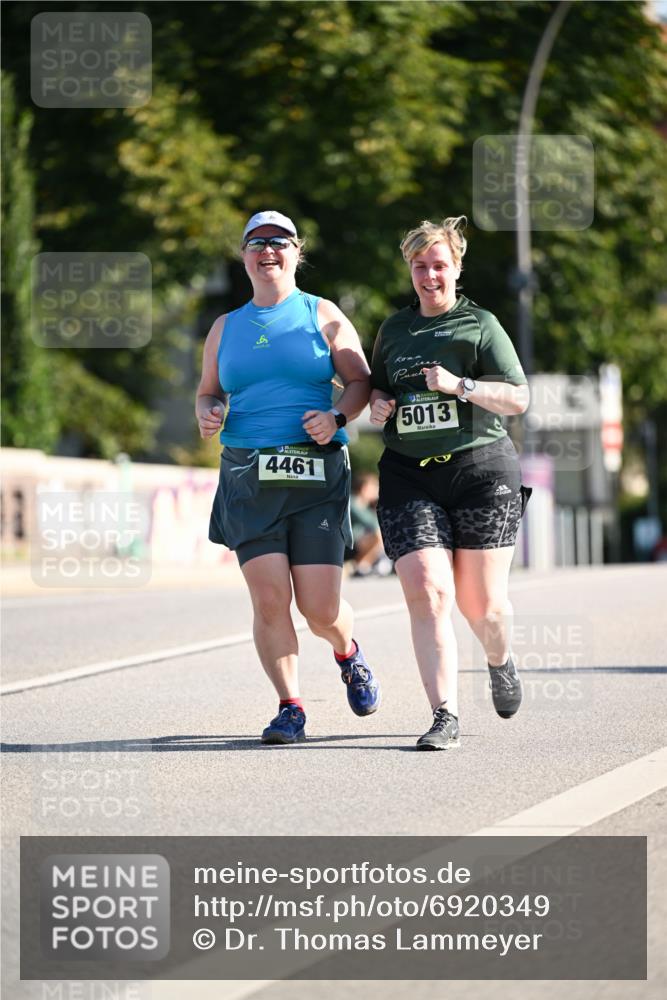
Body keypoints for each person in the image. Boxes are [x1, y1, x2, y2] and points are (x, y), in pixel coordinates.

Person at [197, 210, 380, 745]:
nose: (268, 251)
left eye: (279, 243)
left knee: (319, 607)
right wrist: (207, 411)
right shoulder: (225, 327)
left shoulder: (322, 315)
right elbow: (209, 390)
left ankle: (347, 651)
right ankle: (290, 707)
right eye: (257, 243)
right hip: (247, 473)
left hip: (315, 471)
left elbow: (360, 382)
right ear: (244, 256)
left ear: (297, 253)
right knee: (270, 600)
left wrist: (337, 417)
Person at [369, 216, 531, 751]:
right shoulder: (393, 331)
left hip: (480, 468)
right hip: (408, 475)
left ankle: (499, 659)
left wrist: (460, 385)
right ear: (409, 270)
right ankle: (444, 715)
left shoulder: (479, 324)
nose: (430, 275)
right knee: (429, 592)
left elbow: (518, 397)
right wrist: (379, 404)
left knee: (481, 605)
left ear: (456, 268)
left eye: (439, 265)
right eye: (420, 266)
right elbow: (377, 393)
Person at [349, 473, 392, 577]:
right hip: (348, 544)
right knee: (379, 536)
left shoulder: (363, 504)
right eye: (373, 487)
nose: (376, 491)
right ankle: (360, 566)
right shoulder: (352, 502)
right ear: (364, 488)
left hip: (355, 541)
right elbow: (373, 524)